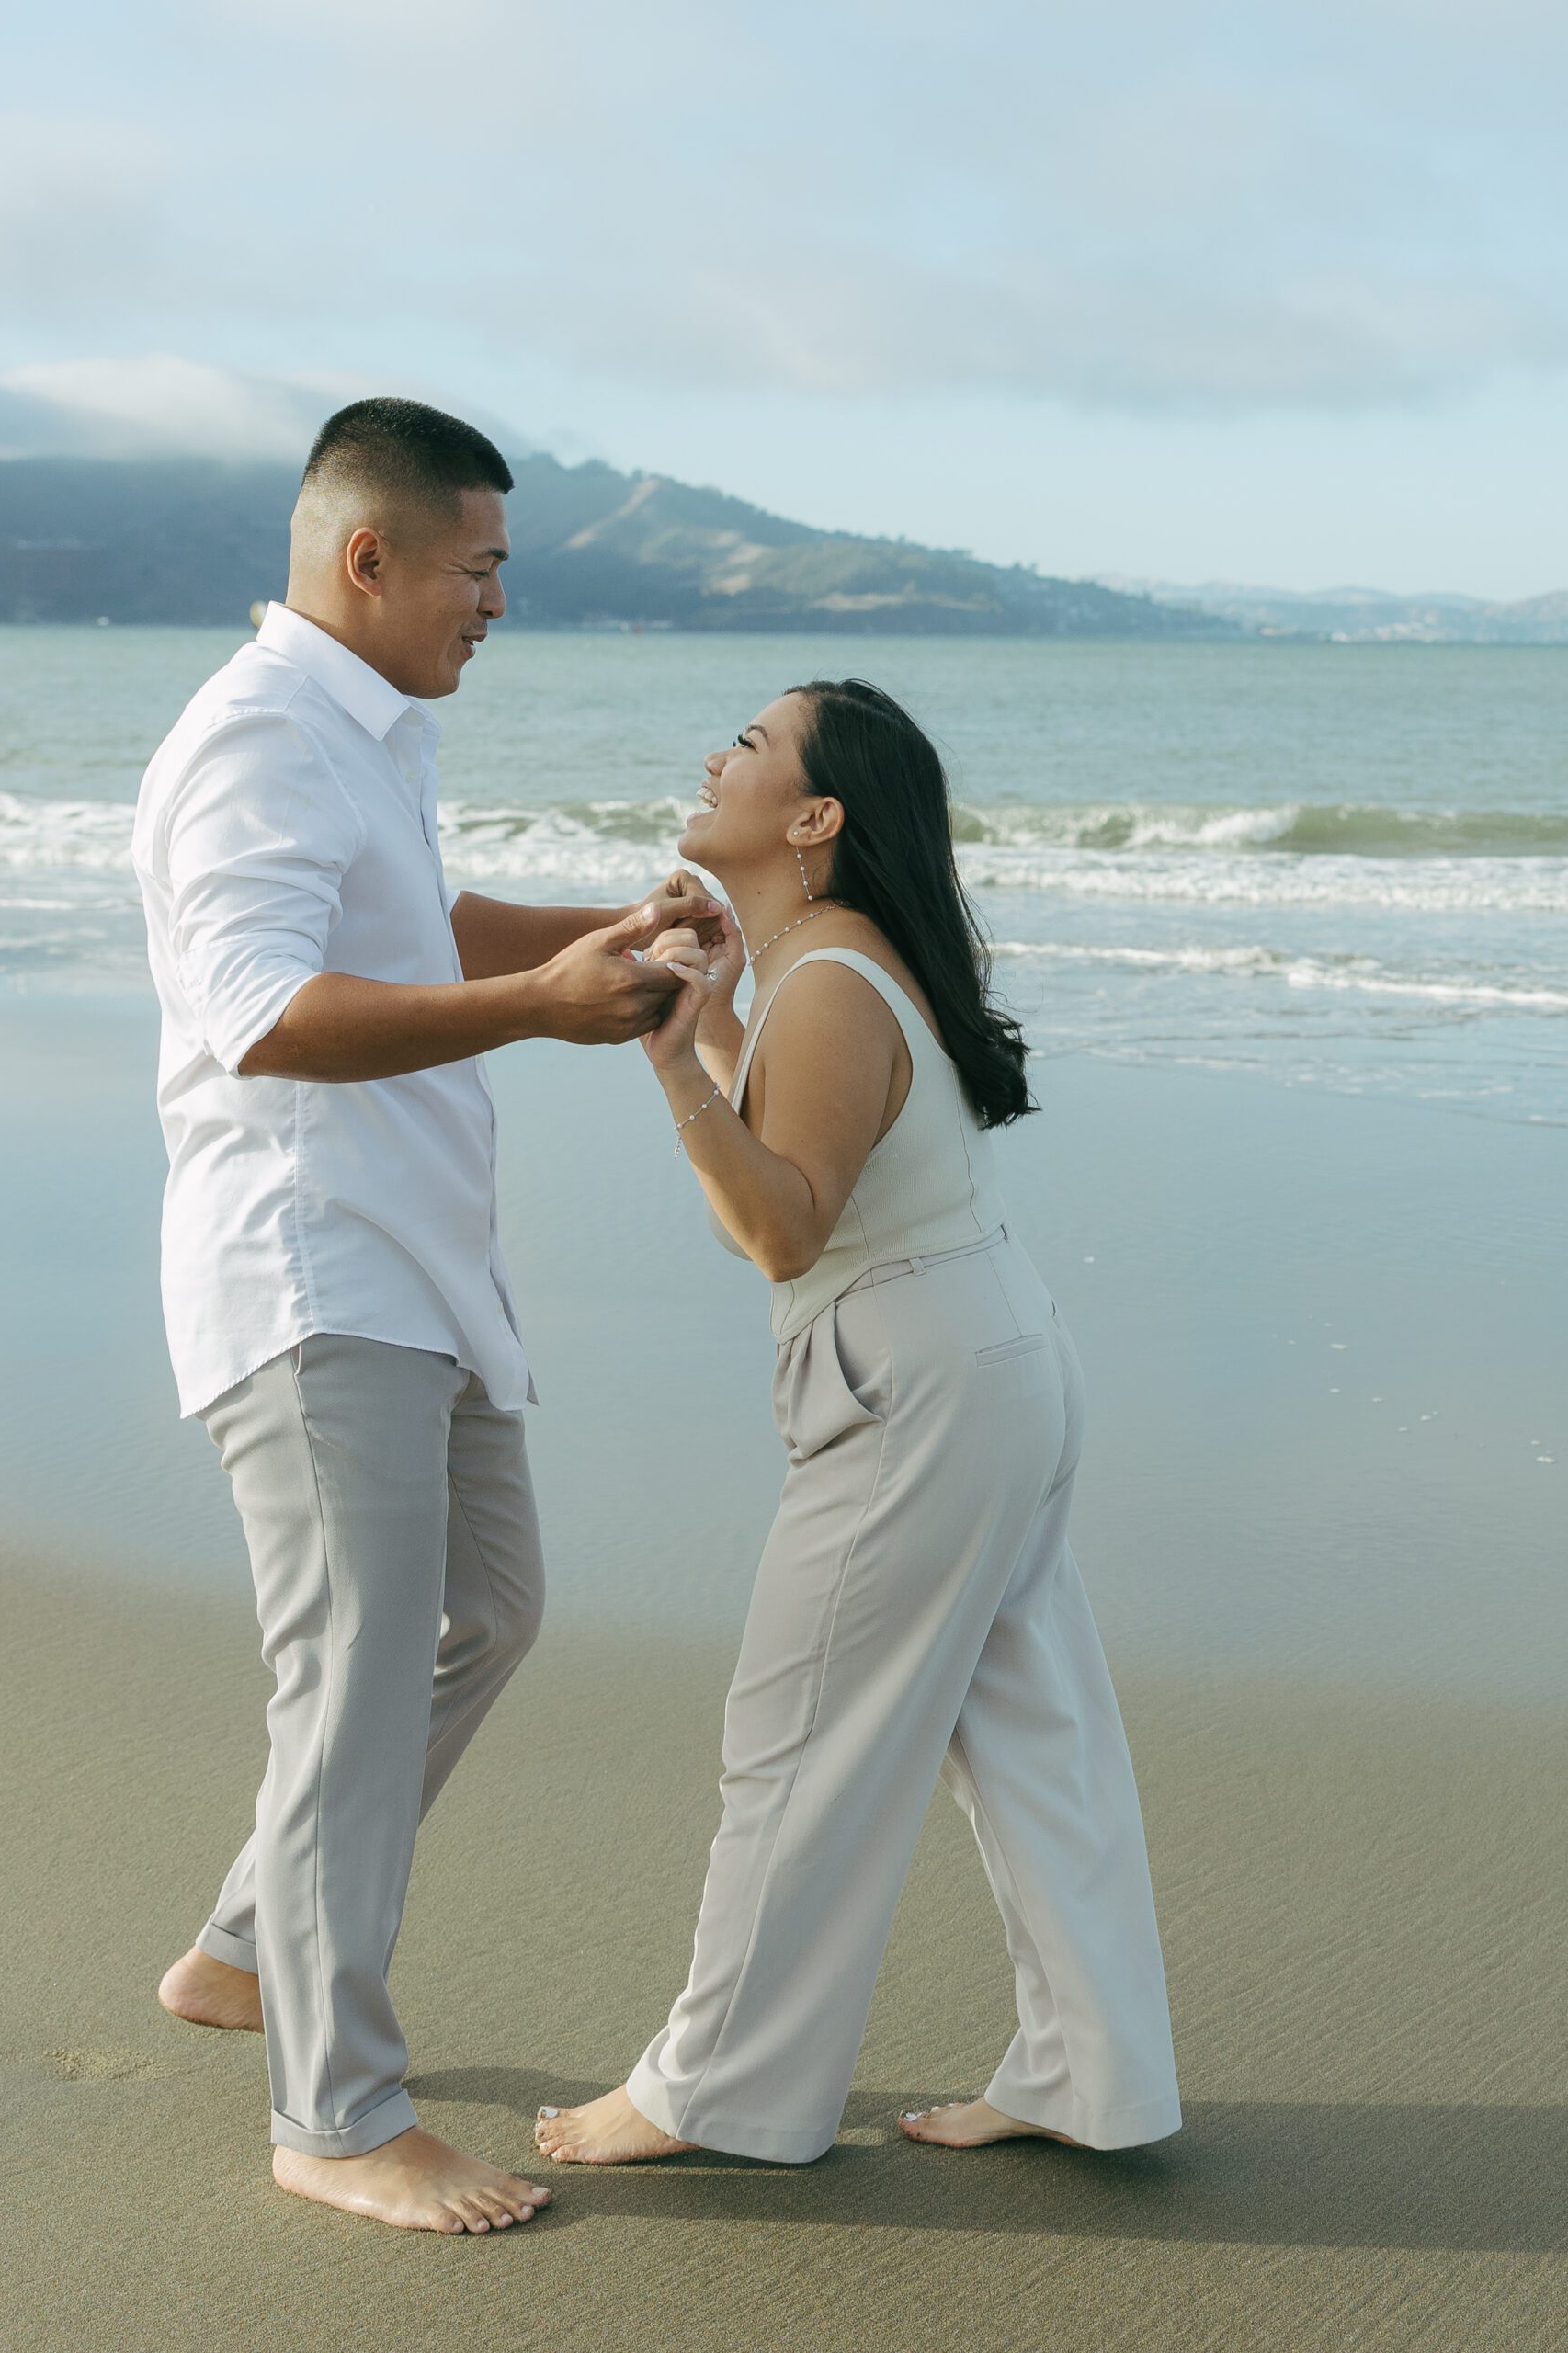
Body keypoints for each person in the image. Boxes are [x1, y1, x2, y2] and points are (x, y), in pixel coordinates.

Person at [132, 396, 715, 2234]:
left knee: (486, 1608)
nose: (493, 605)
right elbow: (266, 1011)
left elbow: (418, 918)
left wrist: (593, 933)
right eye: (476, 570)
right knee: (357, 1671)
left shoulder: (361, 731)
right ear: (365, 557)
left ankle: (244, 1943)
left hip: (413, 1260)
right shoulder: (253, 740)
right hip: (313, 1269)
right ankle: (334, 2108)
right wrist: (544, 1008)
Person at [535, 679, 1181, 2169]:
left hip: (914, 1383)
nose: (713, 755)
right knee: (1033, 1736)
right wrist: (703, 1029)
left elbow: (780, 1228)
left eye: (750, 747)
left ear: (815, 818)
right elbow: (788, 1157)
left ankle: (712, 2092)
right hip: (984, 1352)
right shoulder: (825, 964)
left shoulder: (826, 977)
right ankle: (1090, 2078)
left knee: (797, 1742)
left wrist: (657, 1065)